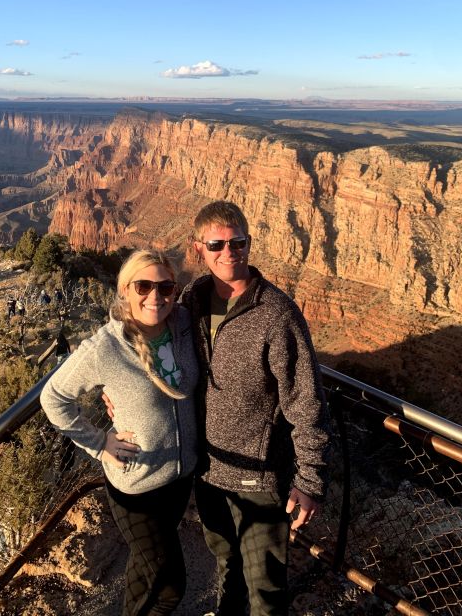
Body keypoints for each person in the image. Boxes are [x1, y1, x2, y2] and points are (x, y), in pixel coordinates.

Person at [180, 200, 331, 616]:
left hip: (260, 481)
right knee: (225, 566)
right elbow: (155, 348)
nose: (229, 252)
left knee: (264, 590)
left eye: (238, 242)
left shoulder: (277, 314)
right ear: (199, 249)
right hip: (208, 472)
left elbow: (306, 401)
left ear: (248, 243)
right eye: (217, 245)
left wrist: (310, 480)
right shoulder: (192, 300)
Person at [40, 249, 199, 615]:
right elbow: (54, 398)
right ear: (125, 290)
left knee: (146, 571)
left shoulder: (186, 324)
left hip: (179, 480)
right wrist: (100, 444)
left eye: (165, 287)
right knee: (171, 588)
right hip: (137, 489)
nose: (155, 296)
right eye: (143, 286)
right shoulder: (106, 347)